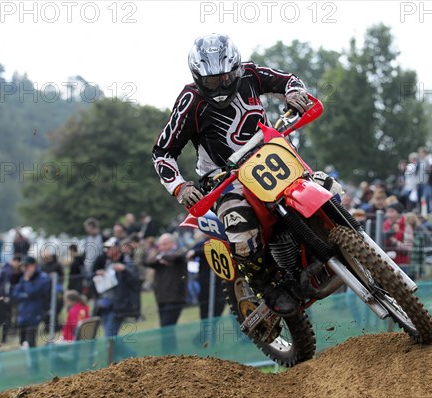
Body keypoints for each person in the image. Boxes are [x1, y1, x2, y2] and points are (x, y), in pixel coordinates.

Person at [152, 33, 314, 316]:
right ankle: (266, 285)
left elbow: (288, 79)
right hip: (223, 178)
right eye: (213, 80)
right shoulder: (189, 101)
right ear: (198, 77)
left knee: (325, 185)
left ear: (236, 67)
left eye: (227, 77)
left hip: (270, 156)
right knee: (242, 229)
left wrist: (294, 92)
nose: (222, 84)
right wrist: (180, 188)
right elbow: (163, 152)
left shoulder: (250, 74)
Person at [93, 237, 139, 359]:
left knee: (110, 338)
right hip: (106, 305)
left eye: (109, 248)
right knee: (110, 338)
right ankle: (126, 359)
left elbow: (134, 281)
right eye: (106, 248)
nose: (107, 251)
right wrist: (100, 275)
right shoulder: (108, 263)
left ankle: (128, 357)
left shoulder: (126, 261)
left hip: (118, 306)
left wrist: (124, 270)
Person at [145, 233, 188, 327]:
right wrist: (158, 257)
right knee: (164, 328)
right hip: (162, 298)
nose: (161, 247)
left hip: (175, 298)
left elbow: (176, 257)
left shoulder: (180, 252)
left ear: (172, 244)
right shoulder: (159, 257)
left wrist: (162, 257)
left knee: (167, 325)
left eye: (164, 244)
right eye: (160, 245)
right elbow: (148, 262)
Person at [11, 256, 51, 350]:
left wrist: (27, 281)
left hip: (34, 313)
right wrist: (25, 294)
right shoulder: (24, 277)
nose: (25, 268)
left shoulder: (42, 277)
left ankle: (33, 364)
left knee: (31, 342)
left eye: (27, 265)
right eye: (23, 266)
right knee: (22, 342)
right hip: (23, 313)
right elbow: (16, 294)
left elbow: (33, 292)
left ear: (34, 265)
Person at [0, 255, 21, 343]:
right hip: (4, 298)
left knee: (3, 318)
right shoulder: (8, 271)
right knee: (6, 318)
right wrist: (6, 297)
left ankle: (4, 338)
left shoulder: (4, 268)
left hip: (1, 297)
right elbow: (6, 285)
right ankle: (4, 339)